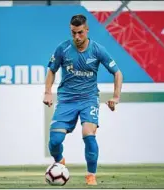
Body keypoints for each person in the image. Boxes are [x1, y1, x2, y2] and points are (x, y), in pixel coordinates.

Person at [43, 14, 123, 185]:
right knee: (54, 141)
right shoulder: (62, 48)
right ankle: (60, 160)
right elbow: (51, 70)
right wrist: (48, 92)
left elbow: (117, 72)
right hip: (66, 100)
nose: (77, 37)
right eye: (73, 33)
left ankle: (91, 175)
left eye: (80, 33)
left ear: (87, 30)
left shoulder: (97, 50)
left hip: (89, 99)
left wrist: (116, 97)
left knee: (88, 134)